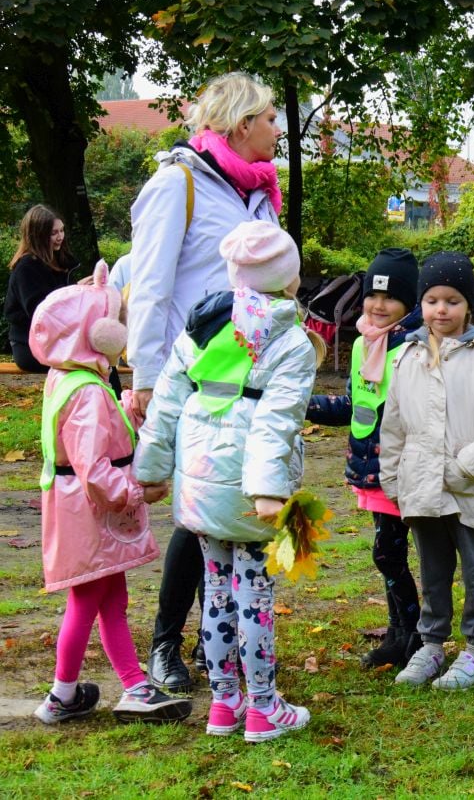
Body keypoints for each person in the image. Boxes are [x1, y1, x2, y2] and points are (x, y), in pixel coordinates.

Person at [134, 220, 320, 742]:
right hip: (247, 491)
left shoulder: (204, 324)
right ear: (289, 279)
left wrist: (150, 470)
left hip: (198, 482)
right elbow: (274, 420)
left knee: (217, 591)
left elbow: (169, 399)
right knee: (253, 593)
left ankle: (223, 704)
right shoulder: (290, 340)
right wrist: (267, 489)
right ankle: (263, 707)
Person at [129, 72, 283, 693]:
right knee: (195, 515)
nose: (278, 129)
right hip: (191, 377)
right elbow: (150, 286)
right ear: (242, 124)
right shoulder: (178, 183)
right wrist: (143, 378)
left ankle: (212, 639)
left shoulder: (258, 192)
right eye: (271, 118)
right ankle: (167, 643)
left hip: (251, 377)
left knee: (231, 505)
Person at [29, 262, 191, 725]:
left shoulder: (70, 376)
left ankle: (134, 686)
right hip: (91, 512)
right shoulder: (88, 393)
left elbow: (91, 439)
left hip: (77, 509)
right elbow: (96, 468)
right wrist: (138, 491)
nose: (124, 329)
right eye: (119, 321)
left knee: (110, 598)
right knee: (86, 600)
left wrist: (125, 414)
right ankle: (61, 696)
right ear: (97, 333)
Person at [383, 252, 474, 690]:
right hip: (420, 486)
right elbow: (395, 423)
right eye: (433, 300)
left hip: (467, 487)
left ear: (468, 306)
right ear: (421, 304)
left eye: (453, 301)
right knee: (433, 570)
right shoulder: (406, 357)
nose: (441, 310)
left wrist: (466, 464)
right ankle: (432, 643)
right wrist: (392, 477)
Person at [307, 248, 424, 668]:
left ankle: (414, 636)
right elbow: (358, 406)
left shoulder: (414, 350)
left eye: (390, 298)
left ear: (409, 304)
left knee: (387, 554)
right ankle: (399, 632)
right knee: (386, 554)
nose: (377, 306)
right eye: (372, 296)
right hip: (370, 469)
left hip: (399, 470)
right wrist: (305, 403)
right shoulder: (363, 345)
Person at [6, 204, 76, 372]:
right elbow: (40, 312)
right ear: (38, 236)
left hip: (57, 341)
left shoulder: (62, 261)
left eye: (62, 231)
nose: (60, 237)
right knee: (87, 364)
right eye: (54, 233)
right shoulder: (26, 268)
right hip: (29, 345)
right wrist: (74, 290)